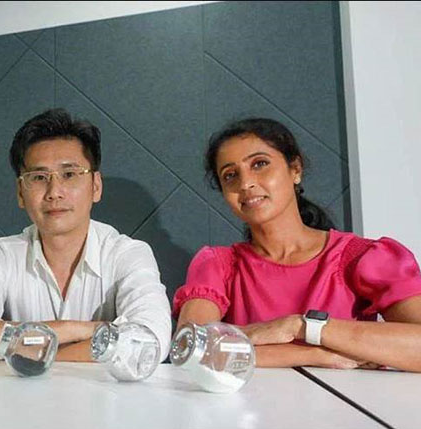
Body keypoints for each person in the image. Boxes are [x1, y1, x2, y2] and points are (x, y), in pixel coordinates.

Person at [173, 118, 421, 371]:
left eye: (259, 164)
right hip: (252, 399)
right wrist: (315, 354)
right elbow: (190, 351)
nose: (245, 184)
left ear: (295, 169)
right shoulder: (218, 265)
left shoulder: (362, 258)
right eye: (230, 175)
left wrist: (300, 327)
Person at [0, 108, 171, 361]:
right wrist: (76, 330)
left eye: (69, 174)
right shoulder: (3, 255)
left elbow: (149, 341)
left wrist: (33, 351)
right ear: (20, 192)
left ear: (96, 186)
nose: (54, 192)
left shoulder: (127, 253)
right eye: (39, 177)